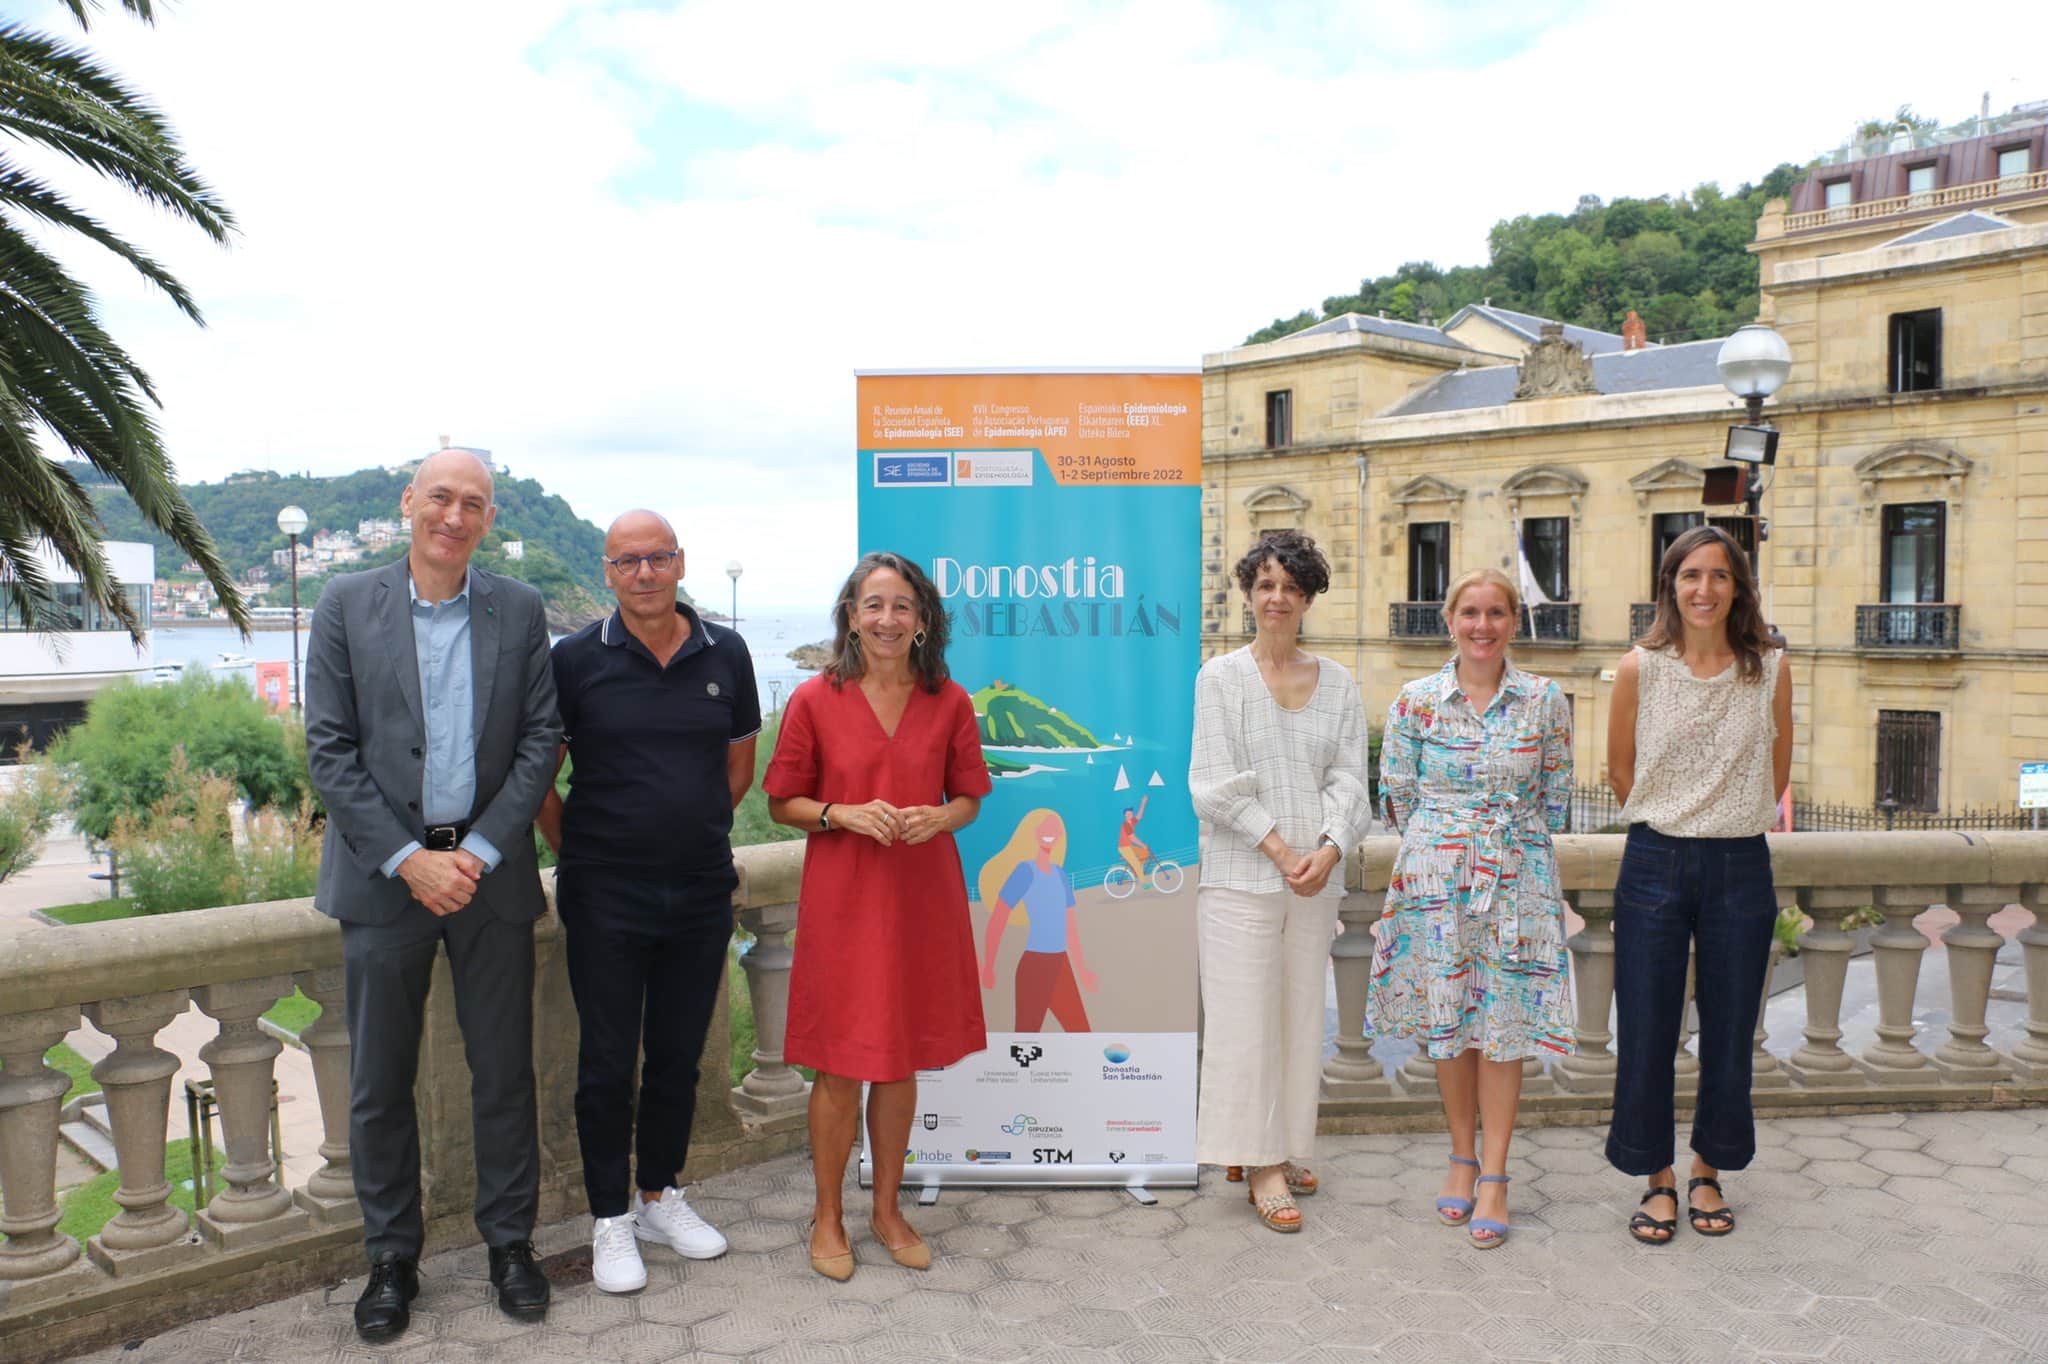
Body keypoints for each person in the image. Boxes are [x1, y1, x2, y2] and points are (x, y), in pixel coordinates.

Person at [304, 448, 560, 1343]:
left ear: (489, 520)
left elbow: (541, 740)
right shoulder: (344, 603)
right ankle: (389, 1260)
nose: (455, 515)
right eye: (441, 497)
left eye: (475, 504)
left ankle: (509, 1246)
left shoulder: (520, 610)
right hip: (384, 883)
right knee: (378, 1081)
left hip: (490, 880)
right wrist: (411, 859)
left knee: (503, 1073)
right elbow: (328, 750)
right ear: (409, 502)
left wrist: (480, 851)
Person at [535, 511, 756, 1294]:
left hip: (699, 887)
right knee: (604, 1064)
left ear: (680, 562)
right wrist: (585, 853)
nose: (644, 573)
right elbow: (540, 776)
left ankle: (659, 1194)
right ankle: (609, 1220)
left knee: (677, 1056)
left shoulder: (725, 652)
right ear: (607, 572)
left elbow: (738, 769)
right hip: (604, 893)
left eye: (657, 557)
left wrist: (686, 836)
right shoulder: (575, 660)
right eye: (627, 561)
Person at [763, 551, 991, 1280]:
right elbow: (782, 802)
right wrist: (841, 813)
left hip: (923, 896)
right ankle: (826, 1215)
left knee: (898, 1063)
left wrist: (940, 819)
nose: (887, 620)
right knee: (839, 1065)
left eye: (901, 607)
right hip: (846, 897)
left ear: (922, 621)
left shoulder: (948, 700)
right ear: (852, 617)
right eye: (873, 605)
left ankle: (887, 1209)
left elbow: (968, 798)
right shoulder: (812, 701)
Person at [1367, 567, 1575, 1249]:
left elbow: (1555, 792)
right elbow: (1396, 793)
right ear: (1449, 620)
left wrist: (1499, 841)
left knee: (1504, 1024)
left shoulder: (1545, 700)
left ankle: (1495, 1174)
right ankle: (1460, 1158)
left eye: (1496, 613)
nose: (1483, 626)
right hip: (1436, 880)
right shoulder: (1416, 700)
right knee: (1448, 1022)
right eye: (1470, 613)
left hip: (1517, 878)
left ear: (1515, 622)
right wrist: (1448, 842)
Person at [1606, 525, 1792, 1244]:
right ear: (1670, 586)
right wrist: (1676, 816)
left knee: (1730, 1031)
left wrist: (1724, 814)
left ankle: (1709, 1168)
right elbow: (1621, 772)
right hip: (1654, 861)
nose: (1704, 590)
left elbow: (1777, 774)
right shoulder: (1639, 669)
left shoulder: (1770, 669)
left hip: (1740, 865)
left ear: (1738, 587)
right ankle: (1656, 1176)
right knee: (1647, 1029)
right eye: (1691, 576)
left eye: (1719, 576)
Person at [1189, 530, 1371, 1233]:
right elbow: (1212, 781)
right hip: (1241, 878)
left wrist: (1327, 849)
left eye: (1291, 588)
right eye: (1265, 585)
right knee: (1242, 1024)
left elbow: (1351, 777)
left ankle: (1287, 1145)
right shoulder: (1221, 677)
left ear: (1307, 598)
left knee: (1299, 1018)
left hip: (1314, 881)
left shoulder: (1341, 684)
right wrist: (1278, 847)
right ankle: (1256, 1163)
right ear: (1248, 593)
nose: (1277, 598)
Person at [977, 809, 1098, 1031]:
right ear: (1035, 832)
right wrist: (989, 966)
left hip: (1061, 965)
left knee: (1082, 1033)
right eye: (1047, 827)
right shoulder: (1025, 871)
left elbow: (1070, 928)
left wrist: (1082, 971)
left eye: (1056, 828)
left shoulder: (1060, 874)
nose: (1052, 832)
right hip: (1035, 966)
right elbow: (998, 919)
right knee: (1025, 1039)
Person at [1117, 796, 1153, 883]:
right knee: (1136, 864)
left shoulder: (1132, 821)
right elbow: (1132, 838)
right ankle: (1144, 883)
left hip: (1129, 847)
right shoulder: (1126, 825)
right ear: (1125, 815)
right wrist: (1143, 845)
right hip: (1124, 848)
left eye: (1131, 813)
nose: (1130, 814)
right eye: (1128, 813)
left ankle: (1135, 871)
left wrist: (1143, 802)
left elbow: (1139, 816)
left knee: (1145, 853)